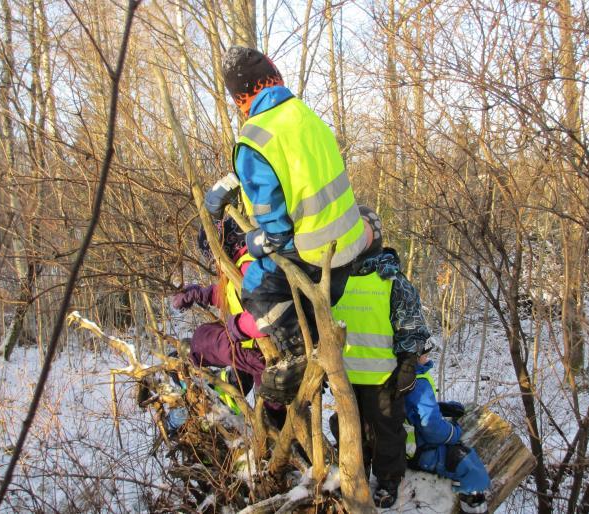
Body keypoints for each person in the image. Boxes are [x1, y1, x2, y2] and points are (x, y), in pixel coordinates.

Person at [204, 46, 368, 402]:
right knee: (286, 288)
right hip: (348, 248)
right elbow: (295, 167)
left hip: (312, 254)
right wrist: (237, 179)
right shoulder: (304, 114)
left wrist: (255, 241)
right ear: (275, 78)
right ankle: (308, 336)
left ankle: (297, 351)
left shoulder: (252, 138)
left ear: (239, 98)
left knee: (256, 288)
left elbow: (276, 230)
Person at [329, 207, 427, 508]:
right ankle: (353, 477)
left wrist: (408, 363)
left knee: (386, 433)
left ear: (376, 233)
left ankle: (387, 480)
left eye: (363, 230)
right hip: (344, 377)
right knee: (347, 431)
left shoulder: (390, 278)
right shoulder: (333, 276)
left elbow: (410, 325)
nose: (356, 237)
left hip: (383, 377)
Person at [172, 218, 285, 423]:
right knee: (271, 408)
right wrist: (199, 294)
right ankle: (233, 386)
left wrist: (235, 328)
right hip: (262, 353)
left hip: (266, 355)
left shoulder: (249, 266)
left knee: (204, 338)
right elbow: (232, 293)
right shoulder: (246, 261)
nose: (215, 264)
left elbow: (267, 316)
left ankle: (197, 359)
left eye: (214, 258)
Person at [405, 347, 491, 514]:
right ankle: (475, 509)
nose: (427, 354)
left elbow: (411, 409)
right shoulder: (418, 382)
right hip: (419, 451)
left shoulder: (403, 376)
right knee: (469, 466)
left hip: (407, 444)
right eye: (424, 351)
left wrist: (440, 408)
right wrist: (454, 432)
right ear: (414, 356)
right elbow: (433, 430)